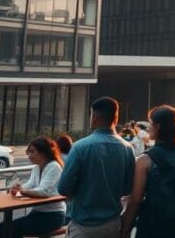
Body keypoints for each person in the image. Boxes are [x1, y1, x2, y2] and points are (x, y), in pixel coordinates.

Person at [120, 105, 175, 238]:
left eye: (151, 124)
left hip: (153, 225)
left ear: (158, 127)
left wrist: (125, 226)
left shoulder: (144, 160)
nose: (148, 127)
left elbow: (136, 199)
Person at [58, 97, 136, 238]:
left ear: (93, 117)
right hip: (113, 224)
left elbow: (63, 188)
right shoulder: (127, 148)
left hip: (83, 226)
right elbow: (127, 188)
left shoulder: (80, 147)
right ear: (116, 118)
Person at [0, 137, 67, 238]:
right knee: (0, 229)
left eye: (32, 152)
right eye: (28, 152)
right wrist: (18, 188)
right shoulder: (37, 168)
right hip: (38, 213)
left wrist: (23, 191)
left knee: (4, 229)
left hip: (53, 216)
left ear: (43, 153)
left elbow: (44, 191)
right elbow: (30, 185)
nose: (29, 156)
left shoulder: (54, 167)